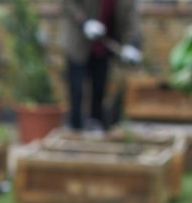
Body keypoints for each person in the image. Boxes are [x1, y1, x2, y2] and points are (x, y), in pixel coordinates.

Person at [60, 0, 143, 131]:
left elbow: (131, 19)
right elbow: (67, 3)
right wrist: (84, 22)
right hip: (79, 44)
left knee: (99, 89)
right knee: (77, 90)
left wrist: (133, 44)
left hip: (103, 46)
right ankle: (75, 128)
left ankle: (96, 126)